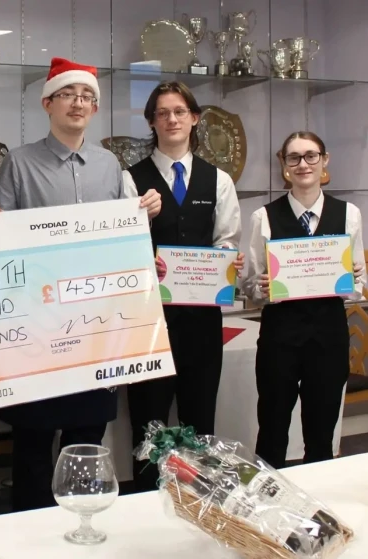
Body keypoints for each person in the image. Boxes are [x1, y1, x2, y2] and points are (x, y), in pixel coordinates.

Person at [0, 57, 162, 511]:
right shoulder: (19, 162)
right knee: (33, 439)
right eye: (68, 95)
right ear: (48, 104)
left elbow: (119, 239)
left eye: (87, 97)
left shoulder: (109, 165)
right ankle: (30, 528)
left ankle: (82, 520)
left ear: (94, 108)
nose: (78, 103)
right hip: (39, 324)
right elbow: (1, 237)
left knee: (88, 435)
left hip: (94, 325)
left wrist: (142, 223)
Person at [123, 82, 243, 492]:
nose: (171, 119)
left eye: (179, 111)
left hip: (202, 322)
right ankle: (144, 503)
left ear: (194, 118)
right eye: (162, 113)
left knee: (199, 419)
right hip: (149, 323)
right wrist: (144, 249)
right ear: (151, 122)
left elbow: (226, 241)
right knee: (147, 423)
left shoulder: (219, 180)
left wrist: (227, 263)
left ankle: (197, 502)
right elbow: (122, 247)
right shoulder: (130, 179)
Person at [245, 131, 365, 470]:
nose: (303, 164)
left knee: (321, 433)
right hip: (279, 336)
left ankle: (319, 498)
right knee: (272, 428)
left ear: (324, 160)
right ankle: (267, 496)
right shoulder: (263, 217)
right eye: (294, 157)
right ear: (284, 164)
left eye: (311, 155)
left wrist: (353, 276)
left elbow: (357, 288)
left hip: (329, 336)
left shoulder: (349, 214)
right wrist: (261, 287)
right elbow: (250, 286)